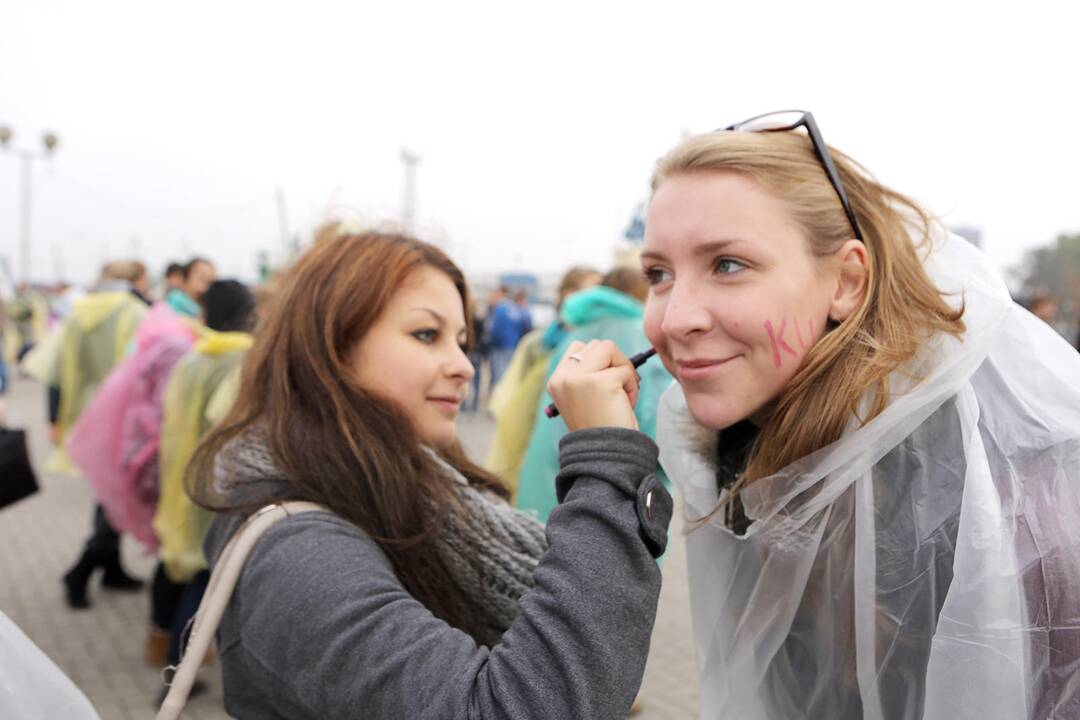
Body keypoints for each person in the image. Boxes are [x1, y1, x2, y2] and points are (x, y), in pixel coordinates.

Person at [643, 111, 1080, 719]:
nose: (672, 318)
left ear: (847, 281)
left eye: (728, 264)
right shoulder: (747, 459)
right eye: (658, 274)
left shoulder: (992, 502)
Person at [185, 229, 672, 719]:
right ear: (331, 347)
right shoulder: (297, 550)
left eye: (462, 341)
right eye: (426, 335)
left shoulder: (408, 486)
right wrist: (607, 460)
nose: (463, 366)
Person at [151, 280, 256, 672]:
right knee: (207, 577)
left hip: (181, 475)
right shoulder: (244, 361)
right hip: (218, 488)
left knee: (173, 562)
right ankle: (179, 666)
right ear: (249, 315)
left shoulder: (192, 357)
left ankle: (157, 638)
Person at [516, 268, 673, 521]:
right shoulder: (642, 336)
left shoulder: (573, 336)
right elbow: (664, 435)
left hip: (543, 486)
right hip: (606, 505)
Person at [57, 261, 150, 608]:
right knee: (118, 499)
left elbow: (61, 365)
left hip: (89, 411)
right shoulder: (137, 313)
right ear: (134, 280)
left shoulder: (80, 312)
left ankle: (112, 569)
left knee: (107, 492)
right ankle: (80, 571)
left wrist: (56, 416)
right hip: (125, 417)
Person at [484, 266, 601, 493]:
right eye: (594, 291)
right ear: (570, 295)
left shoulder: (601, 343)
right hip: (532, 437)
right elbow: (512, 398)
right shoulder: (539, 343)